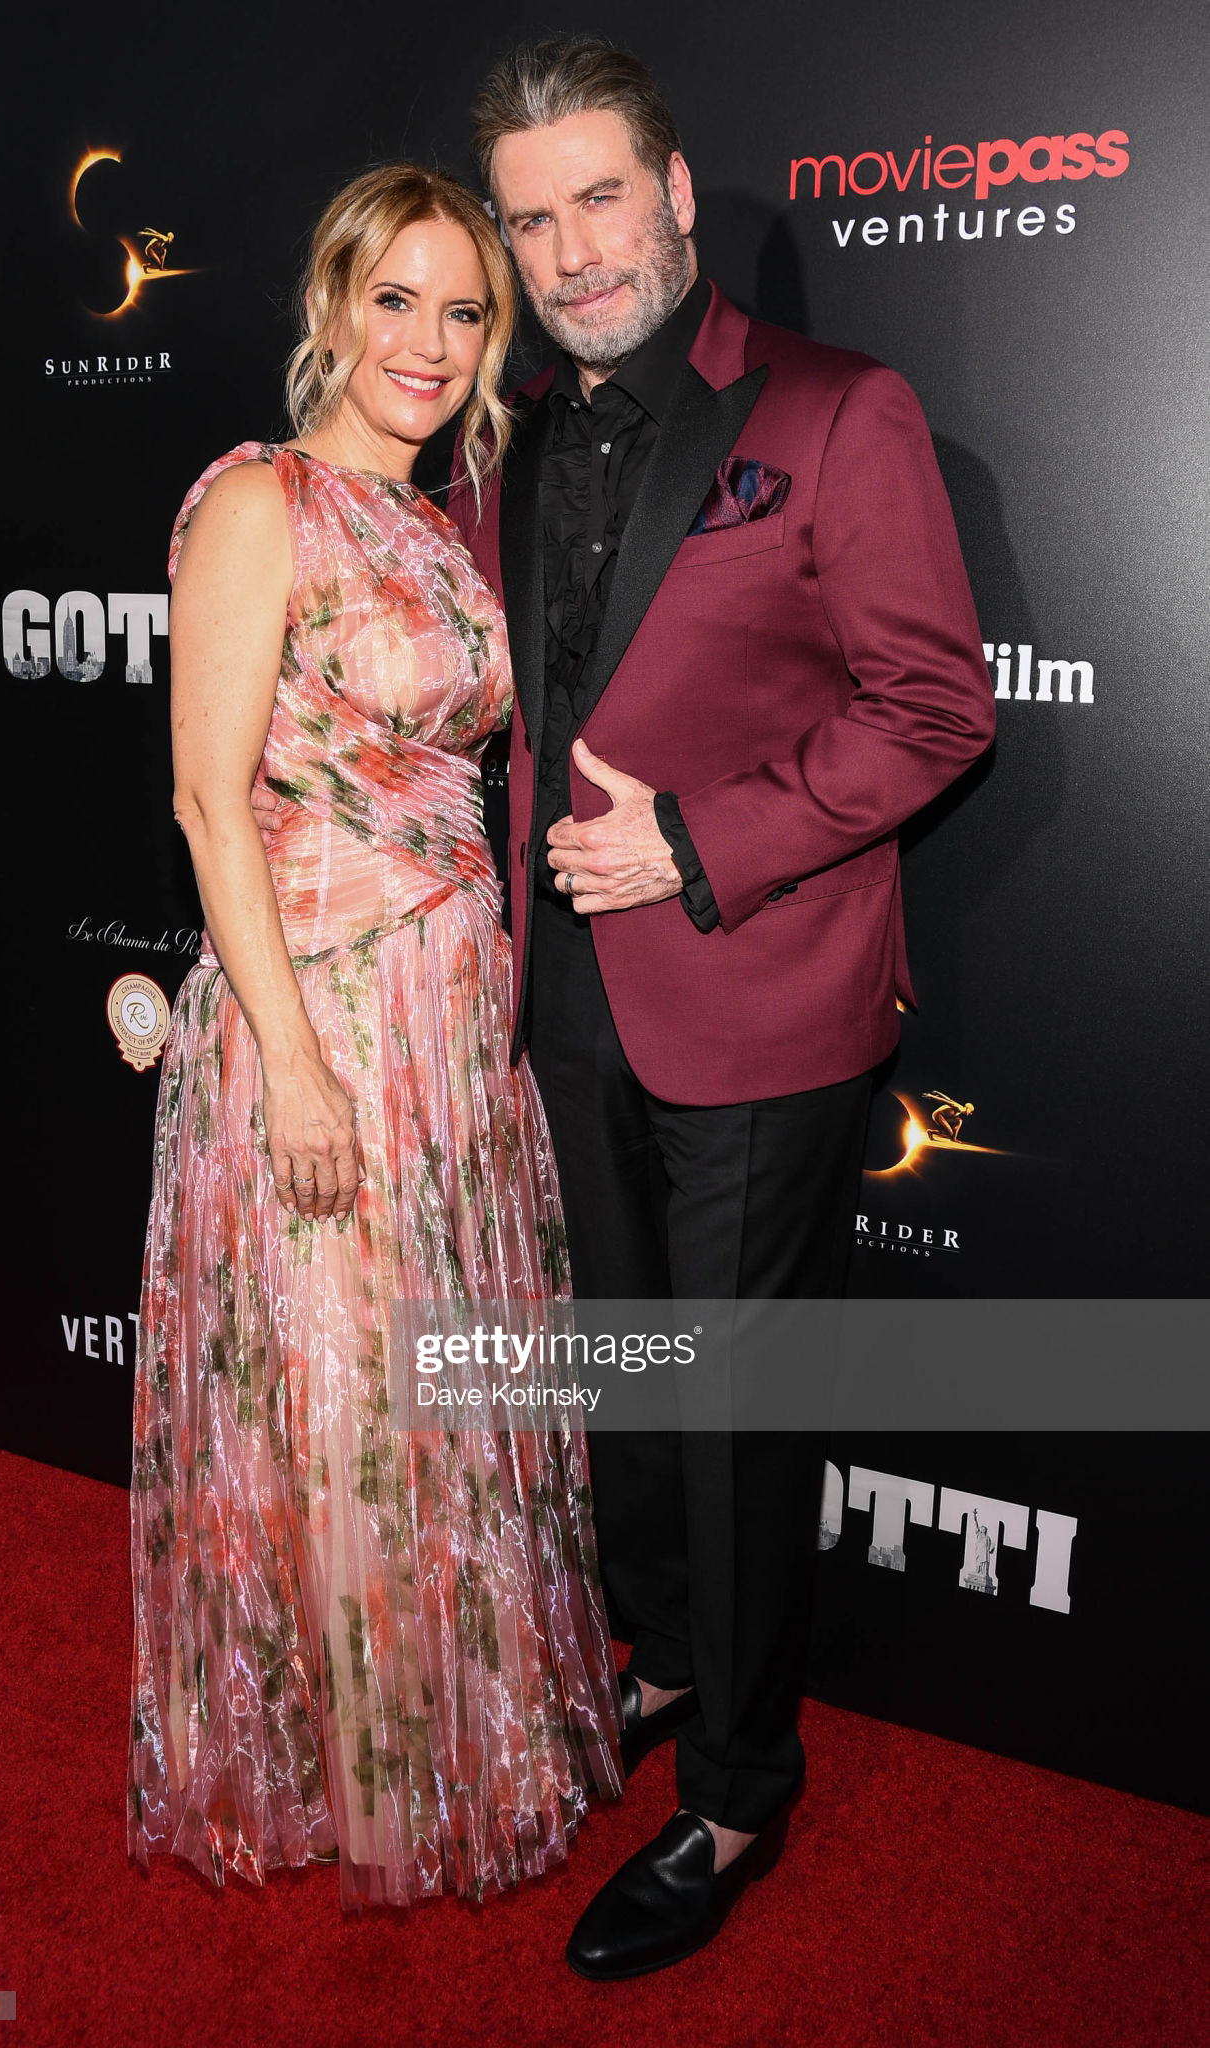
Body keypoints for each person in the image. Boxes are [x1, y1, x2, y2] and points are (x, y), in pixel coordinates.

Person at [451, 36, 998, 1978]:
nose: (569, 247)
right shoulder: (505, 432)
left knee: (733, 1411)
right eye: (530, 217)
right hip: (567, 999)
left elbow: (935, 707)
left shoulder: (838, 409)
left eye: (598, 197)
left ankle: (738, 1792)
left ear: (677, 197)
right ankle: (670, 1660)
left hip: (759, 995)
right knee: (623, 1377)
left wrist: (699, 841)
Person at [126, 162, 623, 1913]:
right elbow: (205, 802)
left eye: (463, 309)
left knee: (437, 1404)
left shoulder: (441, 519)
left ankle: (453, 1730)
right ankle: (364, 1777)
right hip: (321, 1012)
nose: (425, 341)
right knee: (339, 1412)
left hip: (448, 1027)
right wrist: (300, 1065)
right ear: (330, 307)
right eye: (394, 300)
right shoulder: (262, 503)